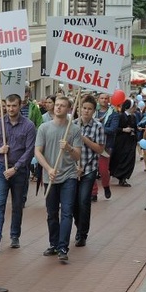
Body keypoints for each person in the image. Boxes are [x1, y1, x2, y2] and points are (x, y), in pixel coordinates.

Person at [0, 94, 37, 252]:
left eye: (14, 105)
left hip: (19, 171)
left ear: (20, 105)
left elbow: (29, 151)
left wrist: (15, 168)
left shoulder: (29, 126)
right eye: (8, 105)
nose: (11, 109)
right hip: (1, 168)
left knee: (17, 204)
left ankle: (15, 236)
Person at [34, 95, 83, 261]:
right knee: (52, 213)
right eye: (57, 105)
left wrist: (68, 147)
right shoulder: (44, 128)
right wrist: (48, 169)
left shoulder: (74, 130)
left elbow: (77, 156)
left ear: (69, 109)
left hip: (68, 175)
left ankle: (63, 247)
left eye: (62, 105)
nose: (58, 108)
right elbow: (37, 151)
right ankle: (53, 244)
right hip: (51, 177)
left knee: (67, 212)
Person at [72, 95, 105, 247]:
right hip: (73, 169)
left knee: (84, 200)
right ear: (79, 109)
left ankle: (82, 234)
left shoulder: (98, 127)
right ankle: (79, 225)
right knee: (73, 203)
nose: (86, 111)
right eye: (84, 108)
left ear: (93, 111)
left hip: (89, 168)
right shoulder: (72, 125)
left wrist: (85, 139)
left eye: (89, 109)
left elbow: (100, 149)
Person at [93, 93, 119, 200]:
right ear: (98, 99)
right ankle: (93, 193)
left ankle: (106, 185)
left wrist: (98, 125)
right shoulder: (93, 112)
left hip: (106, 145)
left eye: (106, 98)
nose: (104, 100)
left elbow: (112, 130)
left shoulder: (114, 113)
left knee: (103, 170)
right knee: (92, 170)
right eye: (102, 98)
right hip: (91, 144)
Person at [109, 99, 138, 187]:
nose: (135, 108)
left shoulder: (133, 117)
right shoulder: (120, 116)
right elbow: (115, 129)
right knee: (121, 158)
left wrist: (134, 130)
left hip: (130, 141)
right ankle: (119, 176)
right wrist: (123, 129)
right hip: (121, 142)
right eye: (134, 106)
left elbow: (135, 127)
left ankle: (124, 178)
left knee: (129, 159)